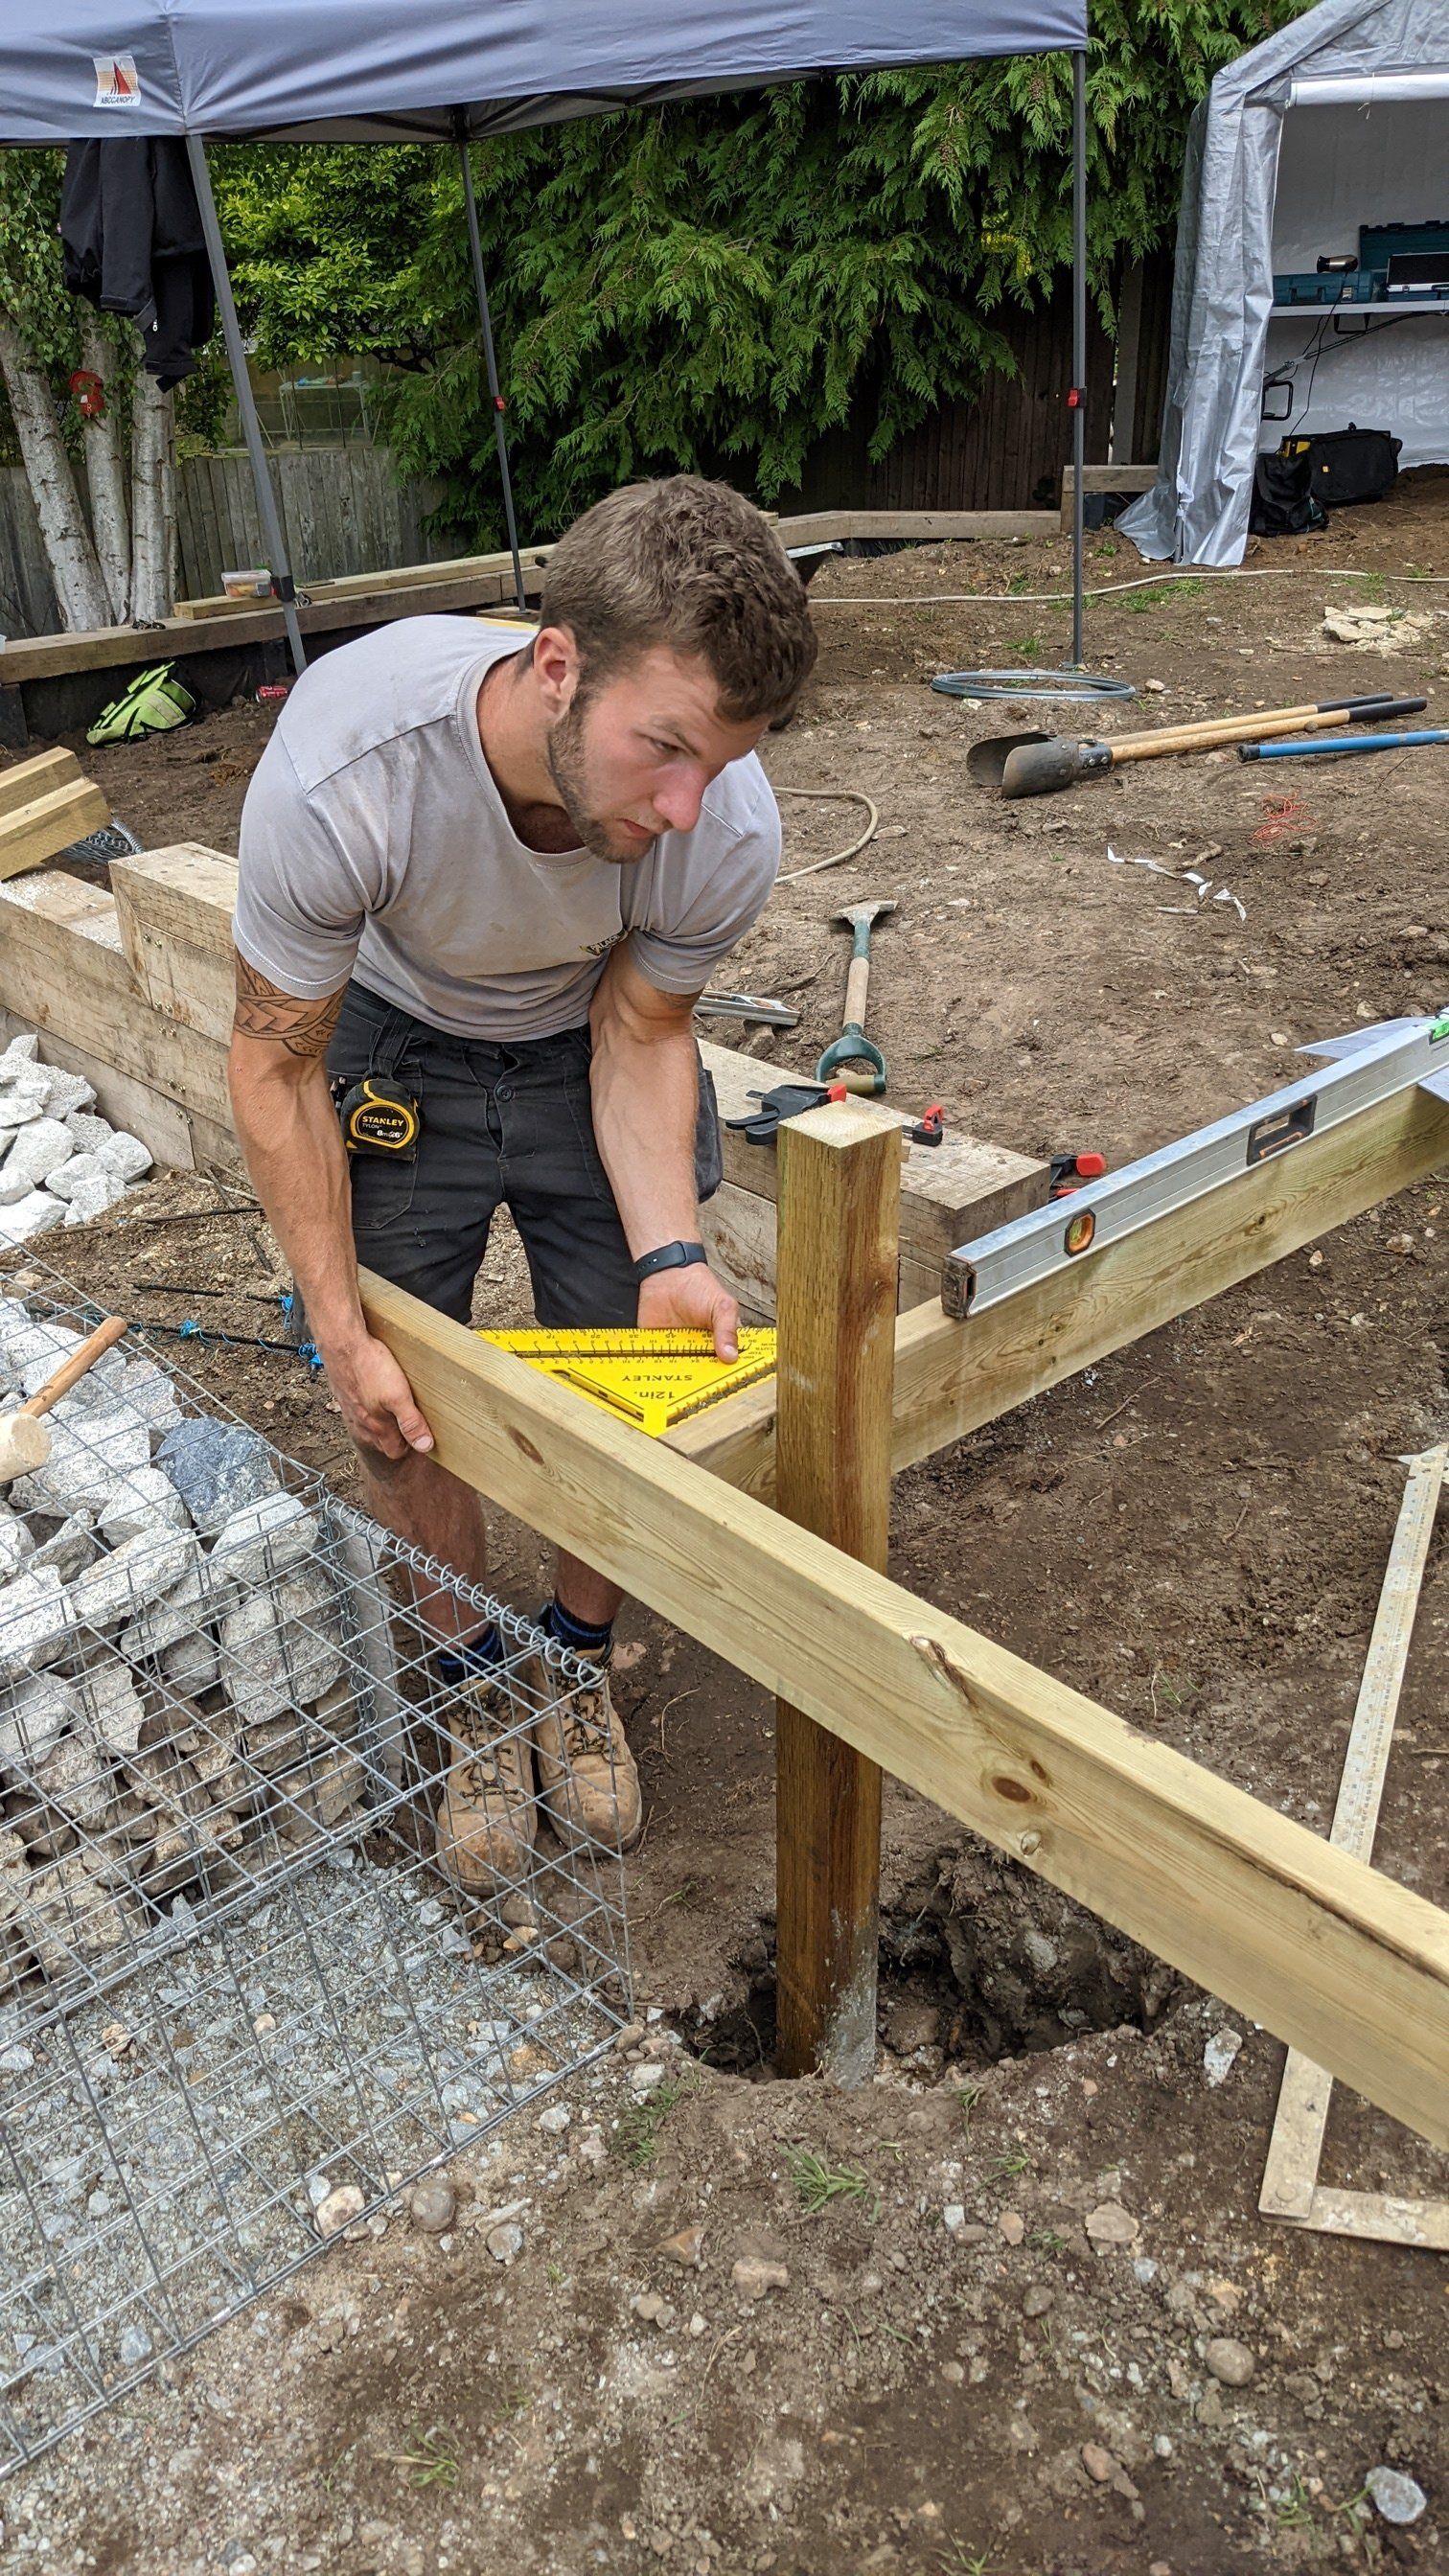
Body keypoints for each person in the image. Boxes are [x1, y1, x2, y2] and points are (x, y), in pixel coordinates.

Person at [229, 474, 816, 1894]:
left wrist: (673, 1245)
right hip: (382, 1035)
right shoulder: (348, 767)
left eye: (720, 761)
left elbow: (644, 1028)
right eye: (663, 749)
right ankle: (473, 1674)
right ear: (558, 663)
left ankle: (569, 1656)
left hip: (583, 1030)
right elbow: (274, 1061)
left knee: (637, 1363)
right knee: (393, 1394)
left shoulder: (719, 828)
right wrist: (337, 1321)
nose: (684, 806)